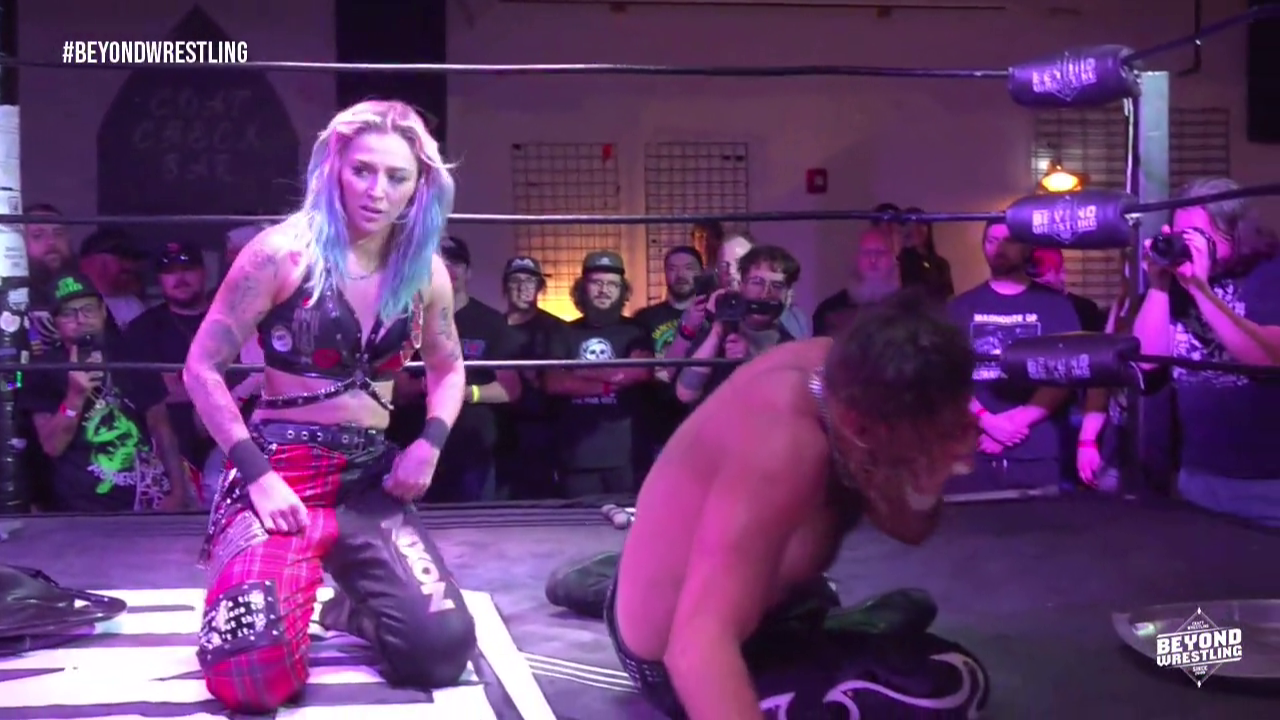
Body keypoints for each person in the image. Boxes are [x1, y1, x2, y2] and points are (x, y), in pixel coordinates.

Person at [550, 290, 989, 719]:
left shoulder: (854, 377)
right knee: (949, 685)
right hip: (669, 661)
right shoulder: (782, 445)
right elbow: (695, 649)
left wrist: (930, 472)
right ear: (860, 429)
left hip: (766, 603)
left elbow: (908, 527)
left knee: (908, 626)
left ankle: (636, 577)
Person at [182, 100, 476, 713]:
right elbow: (202, 367)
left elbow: (449, 368)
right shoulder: (279, 253)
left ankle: (350, 608)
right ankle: (272, 584)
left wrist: (429, 443)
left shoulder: (424, 270)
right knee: (250, 680)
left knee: (442, 654)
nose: (376, 190)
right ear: (335, 167)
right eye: (362, 170)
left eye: (396, 176)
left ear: (418, 186)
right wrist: (256, 476)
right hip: (280, 475)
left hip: (368, 479)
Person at [1131, 177, 1280, 525]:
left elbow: (1267, 358)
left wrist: (1200, 290)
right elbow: (1146, 364)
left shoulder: (1271, 276)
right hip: (1198, 477)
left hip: (1269, 481)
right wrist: (1158, 286)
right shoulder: (1178, 284)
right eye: (1179, 235)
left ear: (1234, 232)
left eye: (1196, 235)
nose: (1185, 245)